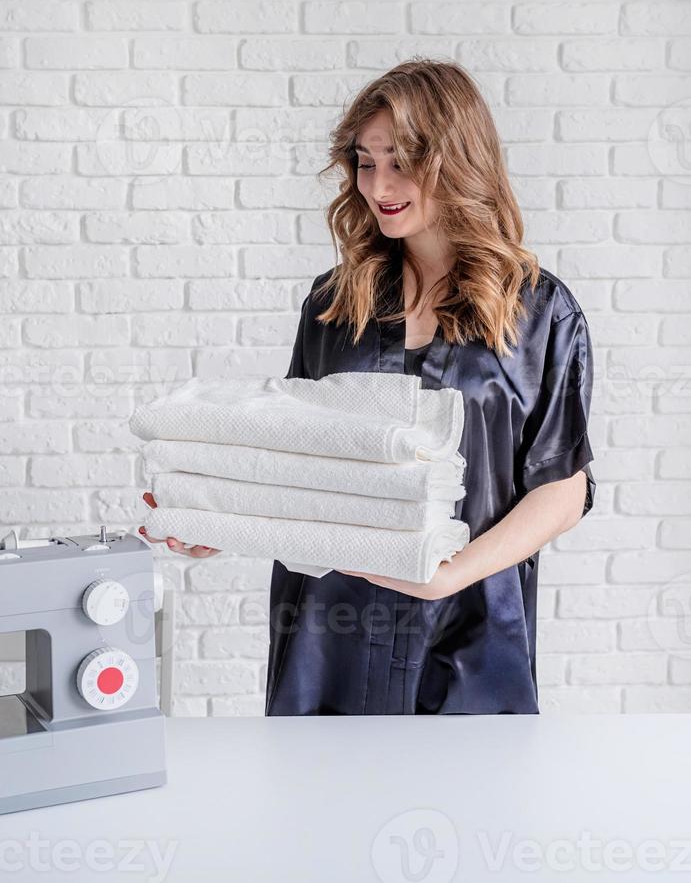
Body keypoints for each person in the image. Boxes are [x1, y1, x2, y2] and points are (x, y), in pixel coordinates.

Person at [141, 58, 596, 716]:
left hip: (470, 634)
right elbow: (294, 459)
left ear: (454, 160)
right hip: (327, 630)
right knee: (319, 809)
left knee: (475, 808)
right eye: (363, 161)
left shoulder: (539, 311)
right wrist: (219, 521)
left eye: (400, 161)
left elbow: (562, 488)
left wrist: (447, 577)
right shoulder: (334, 303)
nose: (378, 184)